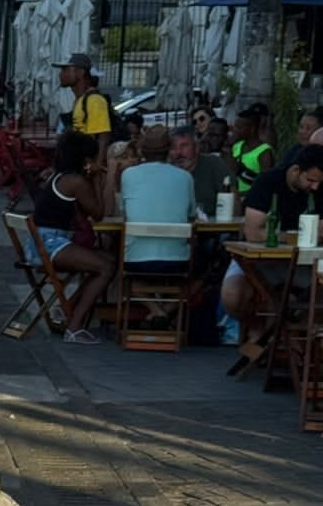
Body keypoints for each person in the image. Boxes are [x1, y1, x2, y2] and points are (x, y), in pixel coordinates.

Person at [220, 144, 323, 334]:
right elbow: (253, 232)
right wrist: (292, 237)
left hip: (304, 263)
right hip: (260, 261)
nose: (315, 186)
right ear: (295, 170)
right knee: (233, 295)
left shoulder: (318, 189)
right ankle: (264, 333)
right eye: (310, 180)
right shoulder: (268, 182)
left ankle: (290, 334)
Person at [29, 131, 114, 344]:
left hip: (41, 242)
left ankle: (66, 309)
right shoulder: (76, 182)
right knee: (106, 268)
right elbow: (98, 213)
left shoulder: (59, 177)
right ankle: (74, 327)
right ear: (86, 160)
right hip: (50, 245)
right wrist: (97, 179)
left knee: (106, 261)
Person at [119, 125, 196, 268]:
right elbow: (192, 215)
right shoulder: (185, 177)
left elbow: (123, 213)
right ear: (169, 151)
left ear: (142, 151)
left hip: (135, 261)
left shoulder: (128, 174)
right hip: (177, 262)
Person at [169, 124, 231, 217]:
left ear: (197, 148)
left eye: (184, 146)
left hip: (211, 227)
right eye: (173, 147)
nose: (178, 152)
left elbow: (233, 198)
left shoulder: (213, 164)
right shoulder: (165, 170)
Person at [55, 52, 110, 152]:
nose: (60, 74)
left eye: (65, 70)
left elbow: (103, 136)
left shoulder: (94, 100)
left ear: (80, 73)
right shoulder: (80, 99)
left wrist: (97, 163)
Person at [229, 108, 273, 196]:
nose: (235, 130)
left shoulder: (265, 152)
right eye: (235, 127)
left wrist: (241, 195)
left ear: (252, 128)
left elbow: (265, 185)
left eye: (239, 127)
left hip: (251, 202)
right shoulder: (236, 146)